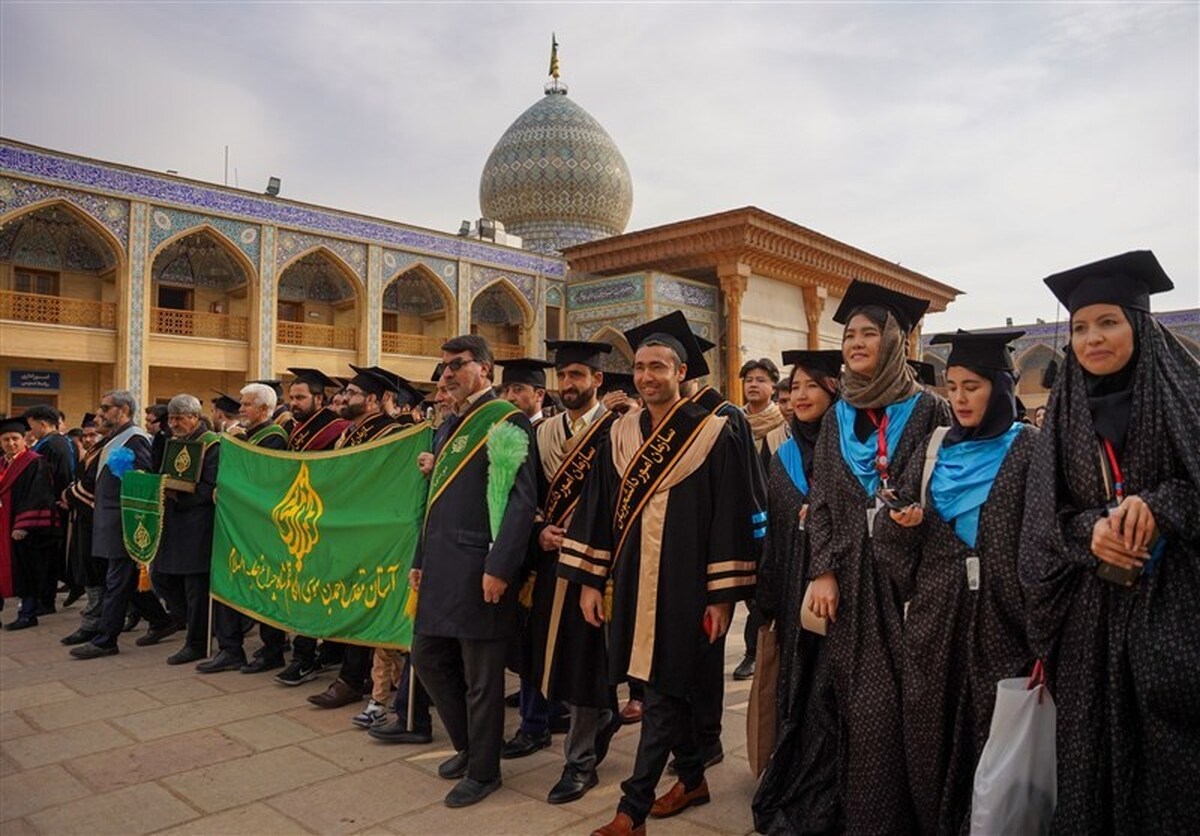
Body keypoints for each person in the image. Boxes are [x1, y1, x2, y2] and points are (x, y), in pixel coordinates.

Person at [1020, 251, 1200, 835]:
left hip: (1175, 613)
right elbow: (1045, 517)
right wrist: (1092, 530)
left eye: (1108, 322)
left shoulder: (1186, 398)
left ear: (1139, 325)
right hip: (1091, 623)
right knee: (1091, 762)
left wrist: (1163, 505)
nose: (1091, 339)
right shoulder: (1068, 411)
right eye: (1078, 327)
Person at [562, 317, 756, 836]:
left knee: (664, 691)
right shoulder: (620, 432)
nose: (647, 376)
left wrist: (721, 597)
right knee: (656, 683)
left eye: (658, 367)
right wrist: (588, 580)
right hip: (629, 580)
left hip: (686, 583)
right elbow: (597, 510)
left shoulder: (713, 431)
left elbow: (729, 514)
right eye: (641, 367)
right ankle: (692, 777)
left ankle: (632, 810)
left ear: (681, 371)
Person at [873, 330, 1037, 836]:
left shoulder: (1030, 449)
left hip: (1004, 623)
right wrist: (906, 522)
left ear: (1002, 388)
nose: (960, 399)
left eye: (973, 386)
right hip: (934, 620)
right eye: (953, 386)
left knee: (992, 737)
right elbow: (886, 519)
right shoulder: (933, 448)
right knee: (929, 731)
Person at [804, 280, 949, 833]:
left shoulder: (930, 409)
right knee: (866, 711)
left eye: (870, 334)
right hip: (852, 586)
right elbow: (821, 501)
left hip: (910, 587)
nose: (857, 344)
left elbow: (945, 494)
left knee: (913, 712)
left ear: (896, 343)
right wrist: (822, 570)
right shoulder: (839, 414)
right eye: (850, 335)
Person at [410, 335, 539, 809]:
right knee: (427, 657)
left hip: (480, 568)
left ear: (485, 369)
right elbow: (434, 502)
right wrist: (419, 560)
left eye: (457, 365)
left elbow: (522, 503)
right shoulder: (450, 424)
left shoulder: (507, 420)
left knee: (482, 678)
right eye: (443, 367)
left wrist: (500, 566)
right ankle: (469, 746)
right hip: (440, 566)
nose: (447, 374)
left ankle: (485, 771)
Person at [751, 350, 844, 835]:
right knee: (797, 689)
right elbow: (772, 525)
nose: (799, 396)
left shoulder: (853, 447)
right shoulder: (781, 451)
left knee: (831, 694)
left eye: (811, 386)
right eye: (795, 387)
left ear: (834, 389)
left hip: (843, 597)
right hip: (792, 593)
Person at [528, 340, 623, 804]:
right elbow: (528, 495)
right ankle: (602, 717)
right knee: (558, 659)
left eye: (578, 376)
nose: (568, 384)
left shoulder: (620, 429)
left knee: (586, 662)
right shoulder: (544, 432)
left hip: (600, 568)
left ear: (597, 380)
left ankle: (580, 761)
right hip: (551, 562)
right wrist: (540, 531)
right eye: (562, 376)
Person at [305, 365, 414, 709]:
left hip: (378, 534)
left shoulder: (393, 434)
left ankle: (352, 680)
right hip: (347, 532)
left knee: (367, 604)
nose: (343, 398)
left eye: (351, 393)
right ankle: (369, 676)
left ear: (372, 399)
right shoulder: (349, 434)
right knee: (349, 601)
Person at [69, 390, 175, 659]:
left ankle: (106, 639)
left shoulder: (134, 439)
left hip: (123, 522)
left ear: (123, 410)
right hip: (109, 520)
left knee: (117, 581)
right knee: (122, 580)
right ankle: (162, 620)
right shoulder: (115, 438)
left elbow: (140, 482)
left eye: (106, 407)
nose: (101, 413)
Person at [491, 356, 560, 757]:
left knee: (538, 636)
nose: (512, 396)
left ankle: (536, 723)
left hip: (544, 549)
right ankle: (541, 706)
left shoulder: (549, 434)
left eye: (520, 390)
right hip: (514, 547)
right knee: (523, 637)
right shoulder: (502, 433)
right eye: (507, 389)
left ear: (540, 394)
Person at [197, 383, 289, 674]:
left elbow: (261, 479)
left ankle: (272, 650)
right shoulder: (244, 434)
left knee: (264, 588)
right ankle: (230, 648)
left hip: (261, 526)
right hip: (234, 523)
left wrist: (236, 445)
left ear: (264, 409)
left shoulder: (274, 437)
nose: (241, 409)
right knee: (228, 582)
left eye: (247, 404)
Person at [150, 394, 221, 666]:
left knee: (196, 589)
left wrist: (180, 494)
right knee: (162, 578)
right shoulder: (176, 443)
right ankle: (190, 625)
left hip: (198, 526)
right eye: (170, 418)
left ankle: (197, 643)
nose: (173, 424)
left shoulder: (212, 445)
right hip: (174, 525)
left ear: (194, 417)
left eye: (178, 418)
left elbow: (210, 488)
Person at [732, 358, 783, 681]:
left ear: (773, 387)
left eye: (760, 379)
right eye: (749, 379)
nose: (753, 384)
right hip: (738, 519)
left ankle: (755, 651)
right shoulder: (731, 423)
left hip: (772, 521)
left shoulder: (782, 426)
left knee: (763, 590)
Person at [59, 413, 114, 646]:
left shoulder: (107, 451)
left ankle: (93, 623)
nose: (89, 439)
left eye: (94, 434)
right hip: (83, 519)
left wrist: (69, 495)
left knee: (96, 572)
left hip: (97, 519)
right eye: (86, 435)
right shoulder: (90, 453)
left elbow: (93, 485)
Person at [1, 416, 57, 629]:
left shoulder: (34, 463)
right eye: (6, 439)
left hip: (24, 530)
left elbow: (39, 496)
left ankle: (27, 614)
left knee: (26, 571)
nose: (11, 443)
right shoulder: (1, 464)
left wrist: (22, 525)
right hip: (2, 527)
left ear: (24, 439)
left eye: (15, 438)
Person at [25, 404, 78, 612]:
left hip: (52, 508)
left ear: (43, 423)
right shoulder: (57, 442)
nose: (31, 431)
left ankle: (46, 601)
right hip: (54, 506)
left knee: (47, 557)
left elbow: (55, 478)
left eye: (32, 426)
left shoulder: (52, 445)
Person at [496, 358, 553, 425]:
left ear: (539, 395)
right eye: (506, 390)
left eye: (518, 389)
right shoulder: (499, 431)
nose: (509, 397)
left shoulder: (550, 432)